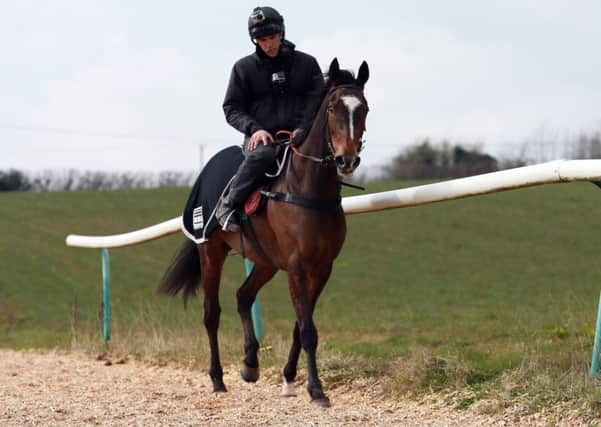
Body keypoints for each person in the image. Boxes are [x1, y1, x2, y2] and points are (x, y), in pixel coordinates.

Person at [217, 6, 325, 232]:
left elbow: (319, 104)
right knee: (263, 154)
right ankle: (228, 205)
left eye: (272, 37)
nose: (268, 44)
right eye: (262, 39)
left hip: (300, 136)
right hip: (262, 140)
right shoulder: (243, 68)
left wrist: (304, 128)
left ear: (282, 33)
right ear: (255, 40)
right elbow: (231, 108)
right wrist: (254, 129)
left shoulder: (307, 64)